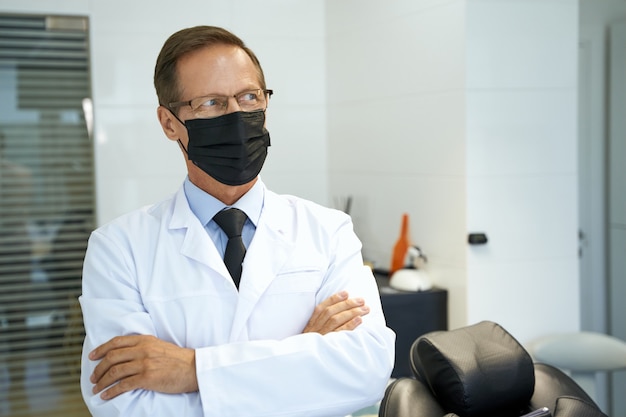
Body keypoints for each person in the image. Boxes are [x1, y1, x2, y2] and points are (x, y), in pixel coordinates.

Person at [79, 25, 395, 417]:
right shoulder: (119, 248)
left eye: (249, 97)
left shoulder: (329, 231)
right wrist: (303, 352)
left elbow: (364, 372)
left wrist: (191, 370)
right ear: (169, 123)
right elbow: (124, 402)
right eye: (211, 102)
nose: (237, 115)